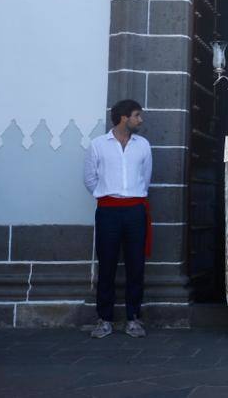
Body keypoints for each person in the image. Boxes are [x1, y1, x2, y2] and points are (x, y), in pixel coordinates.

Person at [84, 99, 153, 339]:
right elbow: (90, 178)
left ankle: (134, 318)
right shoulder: (98, 145)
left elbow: (146, 178)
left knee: (136, 266)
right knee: (107, 265)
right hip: (108, 212)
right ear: (124, 117)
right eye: (137, 115)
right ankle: (104, 319)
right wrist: (107, 195)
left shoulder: (143, 145)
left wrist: (131, 196)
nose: (140, 120)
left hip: (135, 211)